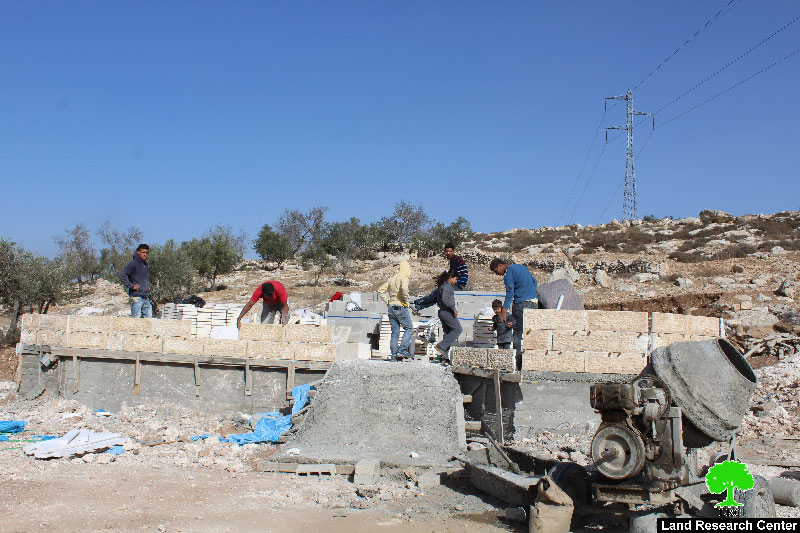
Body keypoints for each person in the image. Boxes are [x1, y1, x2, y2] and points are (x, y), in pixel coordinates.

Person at [489, 258, 538, 357]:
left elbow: (510, 293)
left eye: (496, 271)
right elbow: (534, 282)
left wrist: (503, 311)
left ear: (500, 266)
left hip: (521, 304)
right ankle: (531, 359)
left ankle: (517, 361)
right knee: (531, 332)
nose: (497, 274)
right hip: (534, 303)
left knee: (518, 333)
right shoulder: (521, 267)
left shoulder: (508, 273)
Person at [413, 243, 469, 311]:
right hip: (459, 285)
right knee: (437, 298)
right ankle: (418, 307)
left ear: (453, 251)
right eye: (446, 251)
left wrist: (442, 280)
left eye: (450, 251)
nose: (448, 253)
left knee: (434, 294)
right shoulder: (457, 259)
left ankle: (416, 302)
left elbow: (451, 275)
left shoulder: (454, 260)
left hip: (457, 285)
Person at [378, 260, 413, 361]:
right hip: (400, 306)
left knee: (395, 332)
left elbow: (381, 290)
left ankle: (394, 355)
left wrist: (387, 302)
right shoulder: (404, 277)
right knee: (409, 328)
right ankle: (402, 350)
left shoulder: (392, 278)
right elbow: (404, 289)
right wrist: (406, 301)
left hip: (391, 307)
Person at [435, 269, 462, 362]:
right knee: (458, 329)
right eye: (456, 279)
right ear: (450, 278)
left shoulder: (442, 286)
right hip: (447, 311)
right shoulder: (447, 287)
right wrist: (453, 308)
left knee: (447, 333)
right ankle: (441, 346)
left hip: (442, 311)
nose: (456, 281)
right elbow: (445, 299)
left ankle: (444, 357)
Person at [119, 244, 152, 318]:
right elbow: (122, 275)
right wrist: (131, 286)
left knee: (149, 319)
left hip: (145, 297)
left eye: (147, 253)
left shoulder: (145, 264)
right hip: (136, 297)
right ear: (138, 252)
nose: (145, 254)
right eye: (143, 252)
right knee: (135, 319)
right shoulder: (133, 263)